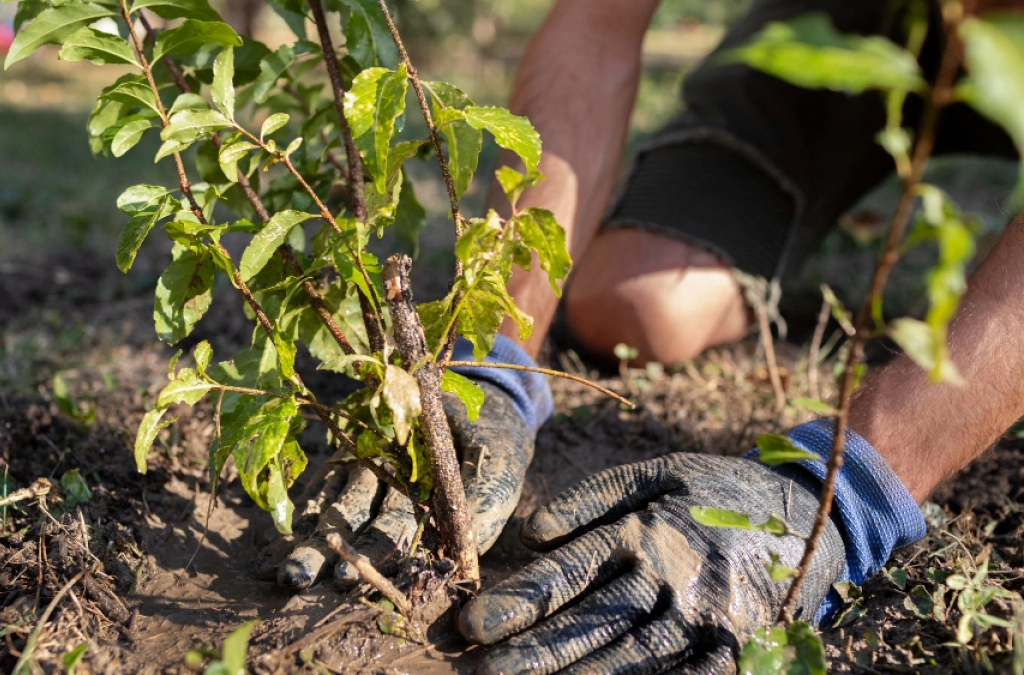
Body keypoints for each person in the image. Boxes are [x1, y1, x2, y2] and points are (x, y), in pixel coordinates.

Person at [266, 1, 1024, 672]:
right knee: (638, 305)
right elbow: (594, 28)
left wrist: (849, 491)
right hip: (849, 24)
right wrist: (492, 350)